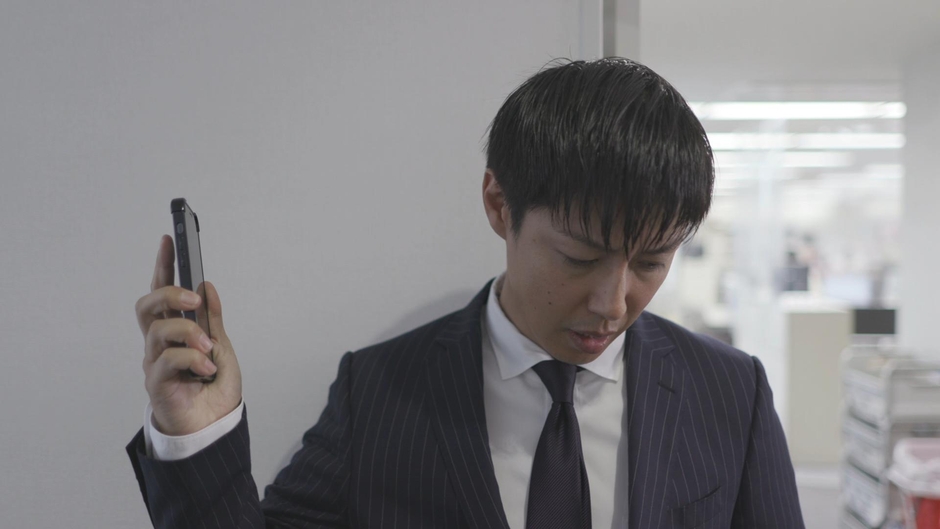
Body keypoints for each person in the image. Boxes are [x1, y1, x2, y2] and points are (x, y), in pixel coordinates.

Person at [128, 58, 805, 528]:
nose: (612, 302)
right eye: (579, 258)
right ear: (499, 205)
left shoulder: (730, 393)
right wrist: (198, 435)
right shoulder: (379, 393)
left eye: (651, 263)